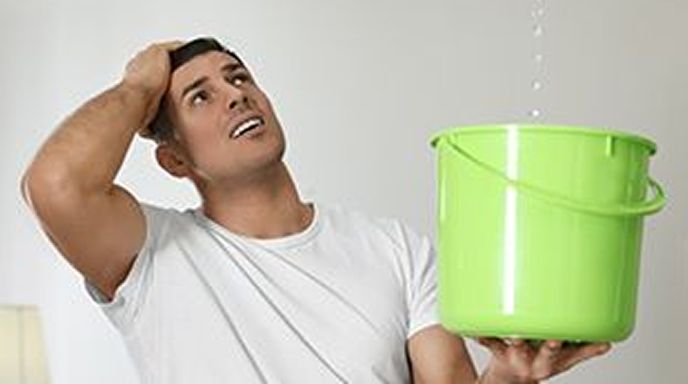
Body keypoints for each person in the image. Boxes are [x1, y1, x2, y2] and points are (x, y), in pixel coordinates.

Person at [21, 37, 610, 383]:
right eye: (201, 96)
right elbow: (54, 184)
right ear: (174, 160)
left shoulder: (397, 249)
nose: (236, 94)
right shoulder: (150, 254)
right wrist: (140, 83)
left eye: (239, 76)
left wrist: (509, 377)